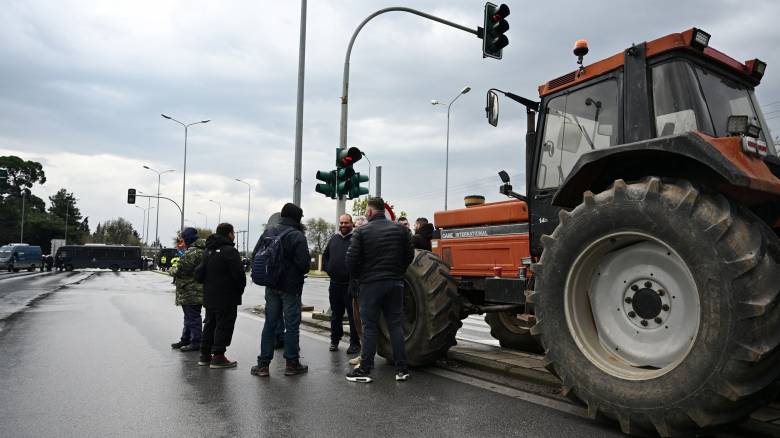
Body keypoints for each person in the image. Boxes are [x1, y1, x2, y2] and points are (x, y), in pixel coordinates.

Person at [345, 197, 414, 383]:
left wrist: (358, 277)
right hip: (396, 282)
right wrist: (398, 272)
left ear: (369, 212)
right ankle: (401, 370)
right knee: (395, 325)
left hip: (371, 284)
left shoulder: (362, 231)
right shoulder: (401, 229)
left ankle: (365, 370)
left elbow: (351, 259)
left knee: (370, 326)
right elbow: (410, 255)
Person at [251, 203, 311, 377]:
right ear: (297, 218)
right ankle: (292, 365)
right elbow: (304, 265)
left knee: (270, 324)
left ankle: (263, 365)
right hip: (290, 288)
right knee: (292, 325)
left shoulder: (268, 232)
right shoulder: (297, 236)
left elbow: (256, 256)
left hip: (271, 285)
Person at [198, 223, 246, 369]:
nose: (234, 236)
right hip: (226, 297)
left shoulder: (208, 250)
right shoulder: (230, 251)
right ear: (229, 234)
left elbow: (199, 274)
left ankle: (205, 355)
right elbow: (239, 276)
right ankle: (218, 356)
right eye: (233, 233)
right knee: (224, 325)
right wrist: (238, 290)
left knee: (210, 324)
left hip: (209, 296)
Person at [322, 214, 360, 354]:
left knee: (352, 316)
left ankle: (355, 343)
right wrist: (329, 269)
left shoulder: (356, 239)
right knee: (336, 315)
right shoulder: (334, 239)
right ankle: (334, 340)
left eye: (346, 223)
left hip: (350, 285)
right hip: (335, 284)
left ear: (351, 224)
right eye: (341, 223)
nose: (343, 225)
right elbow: (325, 256)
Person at [170, 227, 206, 352]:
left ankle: (196, 341)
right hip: (196, 289)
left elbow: (181, 270)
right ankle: (186, 339)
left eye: (183, 239)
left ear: (188, 239)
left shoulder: (192, 252)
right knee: (189, 317)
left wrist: (172, 269)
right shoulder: (203, 250)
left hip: (191, 289)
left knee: (192, 317)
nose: (182, 242)